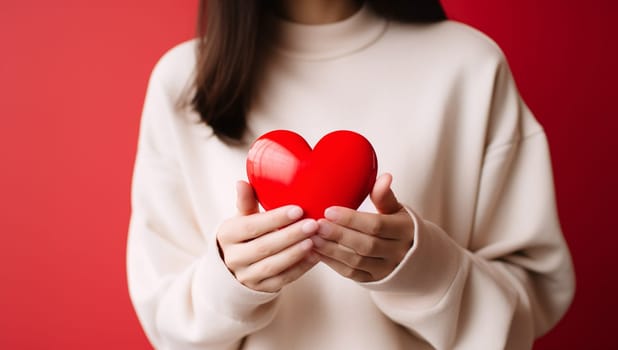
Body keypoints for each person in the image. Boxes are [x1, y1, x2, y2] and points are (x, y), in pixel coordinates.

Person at [126, 0, 576, 349]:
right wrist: (228, 283)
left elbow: (528, 314)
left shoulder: (470, 65)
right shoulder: (185, 80)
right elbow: (166, 326)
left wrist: (422, 269)